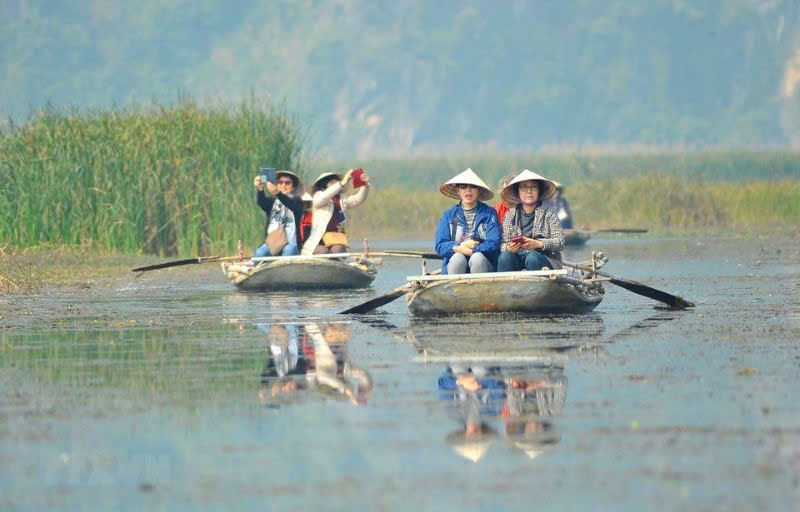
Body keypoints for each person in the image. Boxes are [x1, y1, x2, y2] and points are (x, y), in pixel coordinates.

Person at [434, 168, 501, 274]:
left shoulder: (490, 213)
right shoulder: (448, 215)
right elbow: (440, 246)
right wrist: (461, 246)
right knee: (457, 258)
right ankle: (455, 285)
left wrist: (472, 250)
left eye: (473, 186)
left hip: (484, 263)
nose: (468, 190)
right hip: (455, 262)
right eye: (463, 186)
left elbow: (494, 243)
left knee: (477, 258)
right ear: (458, 191)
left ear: (479, 190)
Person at [497, 169, 564, 272]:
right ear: (518, 191)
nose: (529, 191)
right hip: (519, 258)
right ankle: (508, 283)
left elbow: (560, 242)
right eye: (524, 187)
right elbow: (502, 243)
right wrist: (509, 247)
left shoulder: (549, 213)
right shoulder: (510, 215)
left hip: (544, 259)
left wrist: (538, 244)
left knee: (532, 257)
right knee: (505, 257)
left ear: (539, 190)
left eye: (534, 187)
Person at [301, 169, 371, 255]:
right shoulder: (318, 196)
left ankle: (336, 261)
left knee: (338, 250)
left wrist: (365, 185)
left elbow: (358, 199)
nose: (335, 184)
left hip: (336, 239)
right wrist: (341, 183)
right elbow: (323, 197)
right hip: (318, 240)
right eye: (331, 183)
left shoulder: (342, 199)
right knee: (323, 251)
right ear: (324, 186)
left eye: (336, 182)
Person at [253, 170, 305, 258]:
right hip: (272, 243)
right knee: (259, 253)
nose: (283, 185)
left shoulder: (297, 200)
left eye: (287, 183)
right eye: (280, 182)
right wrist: (260, 189)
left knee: (290, 250)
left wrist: (277, 193)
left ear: (293, 187)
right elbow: (262, 203)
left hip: (290, 244)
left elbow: (291, 204)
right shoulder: (272, 201)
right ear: (277, 184)